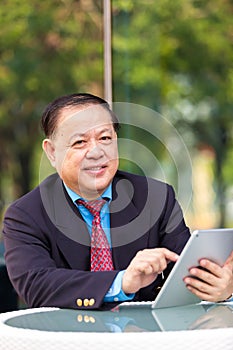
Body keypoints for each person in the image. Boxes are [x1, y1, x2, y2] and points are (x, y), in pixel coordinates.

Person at [3, 93, 233, 310]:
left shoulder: (156, 197)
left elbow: (187, 272)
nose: (96, 152)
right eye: (80, 142)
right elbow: (35, 284)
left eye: (105, 138)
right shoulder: (25, 214)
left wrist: (221, 287)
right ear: (52, 152)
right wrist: (121, 282)